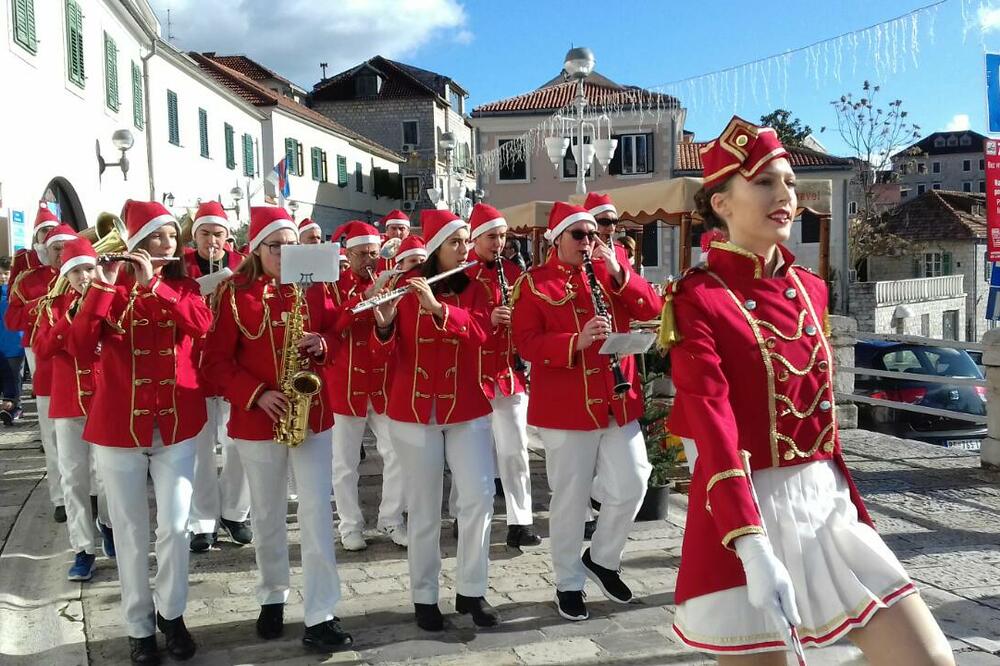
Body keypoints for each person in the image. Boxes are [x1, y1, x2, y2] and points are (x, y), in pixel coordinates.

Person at [662, 116, 953, 665]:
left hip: (826, 505)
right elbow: (711, 420)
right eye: (765, 182)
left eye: (790, 182)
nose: (786, 195)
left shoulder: (809, 286)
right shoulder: (697, 297)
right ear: (721, 204)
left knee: (929, 659)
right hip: (747, 512)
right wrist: (750, 544)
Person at [202, 206, 352, 653]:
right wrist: (257, 393)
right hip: (258, 418)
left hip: (313, 413)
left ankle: (322, 611)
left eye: (291, 245)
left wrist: (324, 344)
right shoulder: (233, 293)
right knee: (266, 515)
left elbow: (339, 332)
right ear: (257, 248)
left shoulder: (316, 285)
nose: (286, 253)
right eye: (276, 246)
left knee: (316, 514)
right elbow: (214, 364)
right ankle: (272, 596)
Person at [70, 201, 209, 664]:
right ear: (134, 243)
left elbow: (201, 327)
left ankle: (172, 614)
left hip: (175, 423)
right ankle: (138, 625)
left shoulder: (184, 286)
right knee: (130, 531)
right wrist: (102, 290)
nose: (169, 245)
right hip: (118, 427)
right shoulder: (102, 286)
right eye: (158, 237)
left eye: (173, 236)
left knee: (174, 526)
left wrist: (154, 286)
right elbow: (77, 346)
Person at [510, 202, 662, 622]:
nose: (589, 241)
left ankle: (602, 557)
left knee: (634, 480)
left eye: (594, 234)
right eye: (579, 235)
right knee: (570, 500)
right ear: (557, 239)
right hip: (567, 407)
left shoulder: (613, 273)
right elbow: (526, 343)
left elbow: (651, 309)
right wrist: (574, 342)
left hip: (618, 399)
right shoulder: (534, 283)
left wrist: (619, 273)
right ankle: (568, 581)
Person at [371, 208, 499, 632]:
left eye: (466, 241)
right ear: (435, 249)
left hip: (465, 406)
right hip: (413, 408)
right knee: (424, 508)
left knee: (479, 497)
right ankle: (424, 596)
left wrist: (438, 308)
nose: (466, 248)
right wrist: (384, 325)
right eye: (456, 242)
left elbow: (482, 333)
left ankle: (472, 590)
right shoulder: (402, 287)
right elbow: (380, 356)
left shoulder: (476, 288)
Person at [34, 237, 115, 580]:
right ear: (66, 274)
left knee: (111, 476)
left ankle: (109, 526)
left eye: (89, 268)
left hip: (107, 399)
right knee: (73, 478)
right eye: (77, 270)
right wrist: (67, 319)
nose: (84, 276)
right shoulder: (51, 306)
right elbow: (43, 348)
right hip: (68, 402)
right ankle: (82, 548)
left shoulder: (110, 299)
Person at [327, 221, 407, 551]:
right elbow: (333, 326)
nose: (370, 260)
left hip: (383, 383)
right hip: (345, 383)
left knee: (398, 454)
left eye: (375, 253)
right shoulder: (333, 285)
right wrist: (364, 298)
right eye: (362, 254)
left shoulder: (388, 280)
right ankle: (349, 524)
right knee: (344, 463)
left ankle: (391, 518)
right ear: (348, 254)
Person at [465, 203, 540, 550]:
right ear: (476, 238)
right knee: (468, 453)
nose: (499, 243)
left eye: (502, 236)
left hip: (508, 372)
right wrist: (487, 318)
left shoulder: (514, 272)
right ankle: (461, 515)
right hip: (470, 375)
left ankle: (520, 520)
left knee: (515, 450)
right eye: (492, 236)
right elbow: (453, 320)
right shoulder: (459, 274)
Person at [184, 201, 252, 552]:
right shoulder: (179, 266)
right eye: (205, 234)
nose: (212, 240)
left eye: (218, 234)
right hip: (194, 366)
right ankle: (202, 521)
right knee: (200, 450)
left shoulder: (242, 264)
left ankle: (236, 512)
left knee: (238, 443)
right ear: (194, 235)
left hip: (232, 365)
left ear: (228, 237)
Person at [7, 222, 74, 522]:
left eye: (65, 247)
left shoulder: (86, 274)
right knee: (52, 433)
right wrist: (44, 304)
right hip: (46, 357)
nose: (61, 254)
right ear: (45, 251)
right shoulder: (28, 280)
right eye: (55, 248)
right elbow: (12, 320)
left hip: (84, 361)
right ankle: (61, 496)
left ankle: (94, 494)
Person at [0, 256, 25, 424]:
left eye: (6, 273)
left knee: (15, 376)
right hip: (1, 342)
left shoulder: (17, 290)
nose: (3, 277)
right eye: (0, 273)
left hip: (15, 343)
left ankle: (15, 407)